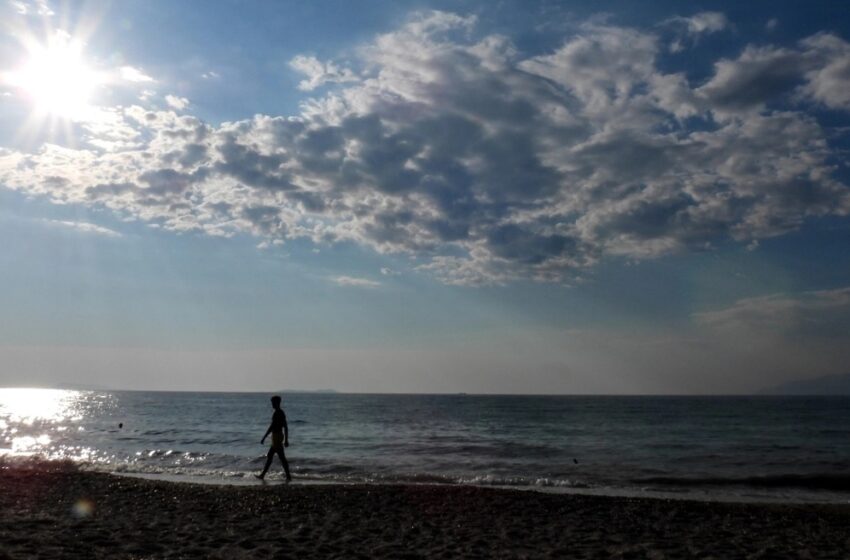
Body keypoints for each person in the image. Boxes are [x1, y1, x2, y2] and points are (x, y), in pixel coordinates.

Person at [256, 395, 292, 481]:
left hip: (277, 437)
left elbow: (278, 426)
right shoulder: (279, 412)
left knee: (281, 457)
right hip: (276, 436)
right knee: (271, 456)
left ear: (277, 403)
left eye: (273, 402)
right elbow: (278, 427)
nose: (272, 404)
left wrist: (286, 440)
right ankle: (263, 475)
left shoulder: (278, 413)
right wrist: (286, 439)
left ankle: (288, 476)